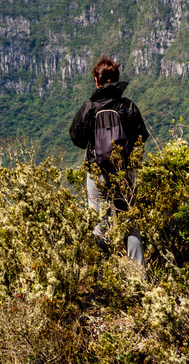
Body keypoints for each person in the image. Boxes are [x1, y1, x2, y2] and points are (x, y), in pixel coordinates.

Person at [69, 55, 149, 265]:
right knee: (129, 222)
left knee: (99, 224)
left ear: (96, 81)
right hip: (124, 173)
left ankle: (101, 280)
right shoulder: (127, 106)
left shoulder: (89, 107)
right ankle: (139, 276)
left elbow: (76, 137)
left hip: (97, 173)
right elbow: (142, 136)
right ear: (116, 79)